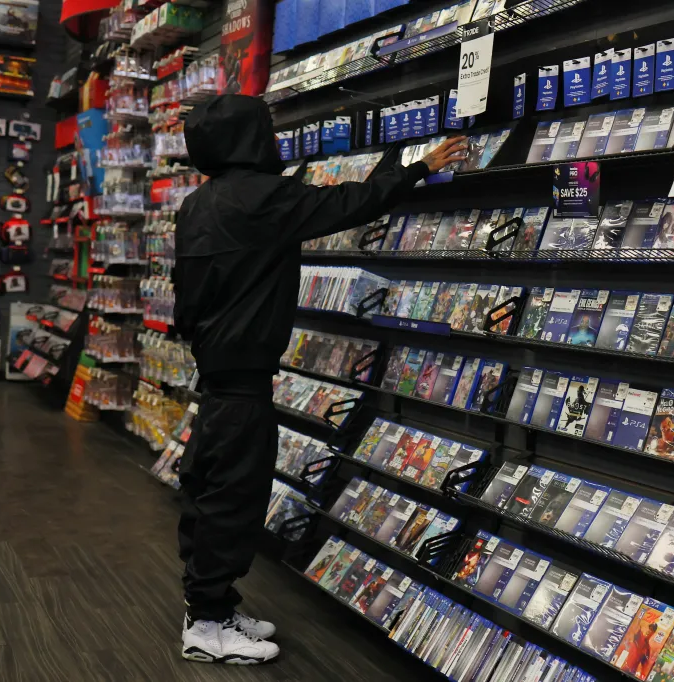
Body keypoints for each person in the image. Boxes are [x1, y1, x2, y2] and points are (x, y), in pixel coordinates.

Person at [174, 94, 466, 665]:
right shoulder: (261, 198)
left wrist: (395, 161)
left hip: (217, 376)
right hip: (241, 385)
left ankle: (212, 604)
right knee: (234, 498)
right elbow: (348, 204)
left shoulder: (198, 203)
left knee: (213, 493)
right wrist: (419, 167)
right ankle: (206, 625)